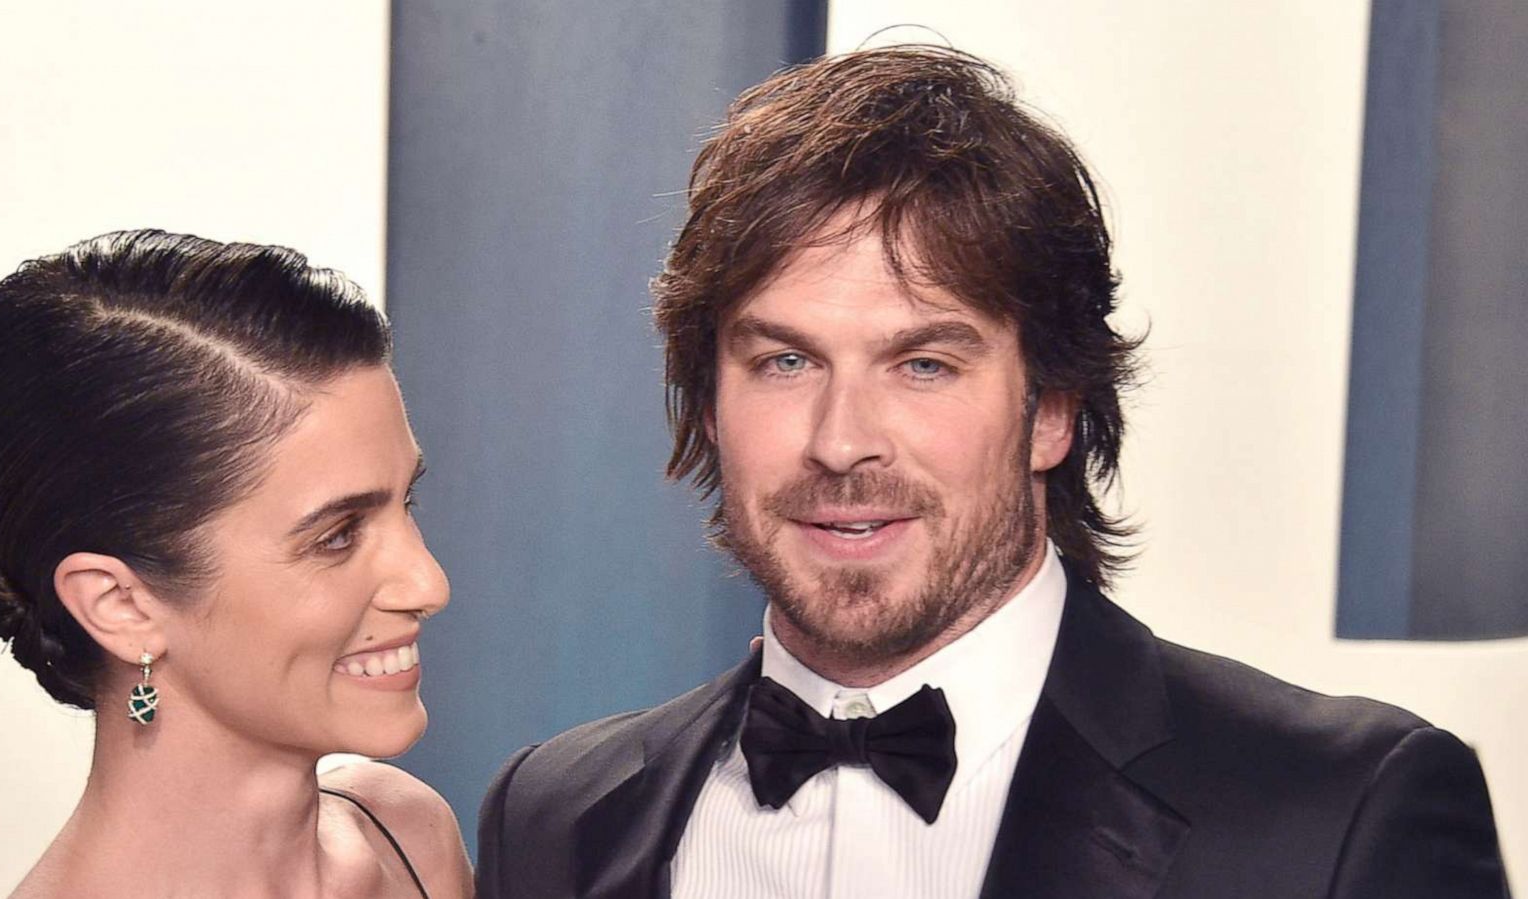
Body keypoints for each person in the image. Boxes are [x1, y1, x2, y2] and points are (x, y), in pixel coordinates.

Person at [475, 46, 1509, 899]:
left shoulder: (1341, 812)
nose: (842, 441)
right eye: (784, 361)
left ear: (1052, 407)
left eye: (923, 364)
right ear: (707, 399)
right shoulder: (556, 816)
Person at [0, 230, 471, 898]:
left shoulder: (409, 835)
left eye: (406, 501)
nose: (429, 583)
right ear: (121, 604)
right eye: (339, 535)